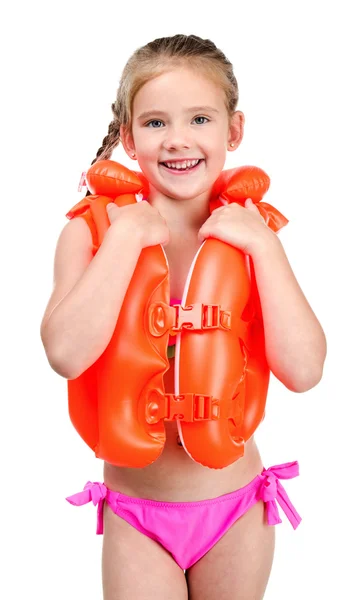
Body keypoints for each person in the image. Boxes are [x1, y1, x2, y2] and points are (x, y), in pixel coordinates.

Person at [40, 34, 327, 600]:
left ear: (233, 130)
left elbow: (305, 369)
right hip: (138, 516)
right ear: (127, 136)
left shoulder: (252, 234)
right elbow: (65, 353)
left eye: (199, 119)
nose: (178, 141)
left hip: (236, 510)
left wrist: (266, 250)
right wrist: (125, 244)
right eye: (154, 124)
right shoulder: (91, 234)